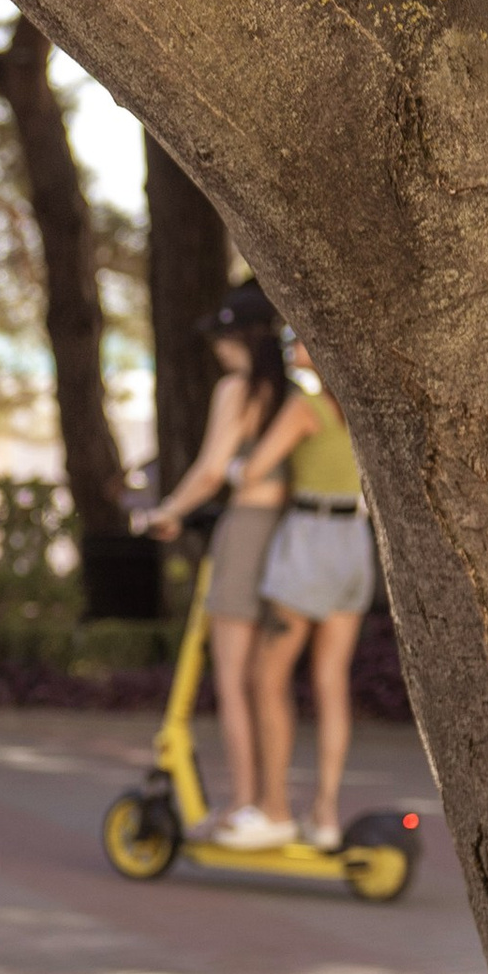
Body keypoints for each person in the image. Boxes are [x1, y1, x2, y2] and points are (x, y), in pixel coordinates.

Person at [139, 282, 295, 827]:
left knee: (231, 676)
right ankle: (272, 805)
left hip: (246, 530)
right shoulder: (292, 393)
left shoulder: (238, 388)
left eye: (225, 338)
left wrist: (169, 512)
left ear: (242, 340)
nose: (219, 349)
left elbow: (211, 469)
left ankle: (245, 804)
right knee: (266, 681)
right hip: (288, 534)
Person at [224, 361, 375, 852]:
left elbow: (254, 469)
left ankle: (275, 810)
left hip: (310, 544)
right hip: (355, 543)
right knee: (331, 682)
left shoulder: (305, 408)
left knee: (266, 678)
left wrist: (232, 467)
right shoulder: (363, 410)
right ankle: (325, 814)